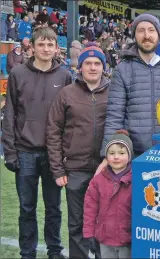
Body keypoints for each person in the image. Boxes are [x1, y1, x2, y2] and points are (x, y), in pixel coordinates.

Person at [1, 27, 71, 259]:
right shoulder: (17, 74)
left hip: (53, 154)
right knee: (27, 208)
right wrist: (10, 152)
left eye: (50, 45)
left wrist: (65, 153)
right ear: (32, 46)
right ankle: (27, 253)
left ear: (56, 48)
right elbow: (9, 114)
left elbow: (69, 118)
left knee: (54, 208)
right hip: (25, 152)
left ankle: (54, 250)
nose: (46, 49)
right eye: (41, 44)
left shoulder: (65, 76)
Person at [96, 13, 160, 172]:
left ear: (158, 34)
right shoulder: (122, 69)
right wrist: (108, 153)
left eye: (151, 30)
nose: (146, 35)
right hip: (135, 155)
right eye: (141, 31)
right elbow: (115, 115)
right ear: (134, 35)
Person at [46, 45, 110, 258]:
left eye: (97, 63)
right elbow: (53, 131)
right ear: (80, 67)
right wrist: (58, 169)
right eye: (88, 63)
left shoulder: (114, 93)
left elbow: (121, 127)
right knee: (77, 225)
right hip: (75, 169)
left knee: (106, 224)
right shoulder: (66, 94)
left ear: (103, 66)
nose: (92, 67)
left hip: (106, 169)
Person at [83, 131, 133, 258]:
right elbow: (90, 209)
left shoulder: (137, 179)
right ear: (106, 156)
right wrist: (89, 234)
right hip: (105, 239)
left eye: (121, 153)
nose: (116, 157)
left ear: (130, 155)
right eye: (112, 153)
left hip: (128, 240)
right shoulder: (97, 180)